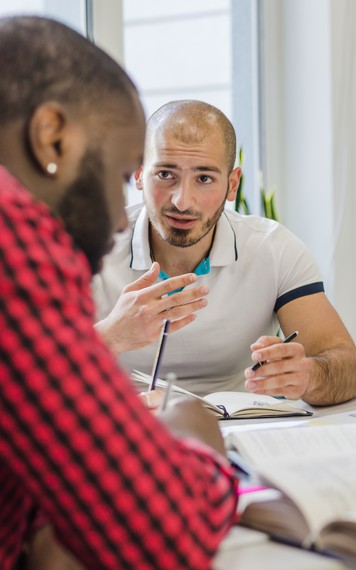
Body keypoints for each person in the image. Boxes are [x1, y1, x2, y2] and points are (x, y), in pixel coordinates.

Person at [0, 16, 238, 569]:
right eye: (118, 174)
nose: (116, 215)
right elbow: (164, 538)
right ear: (52, 136)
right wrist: (191, 430)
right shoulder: (13, 234)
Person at [93, 100, 356, 405]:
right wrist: (109, 336)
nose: (182, 201)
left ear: (232, 185)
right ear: (140, 174)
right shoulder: (88, 248)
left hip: (236, 433)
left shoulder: (274, 249)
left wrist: (308, 375)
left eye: (204, 178)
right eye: (166, 175)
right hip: (119, 431)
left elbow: (347, 368)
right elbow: (30, 369)